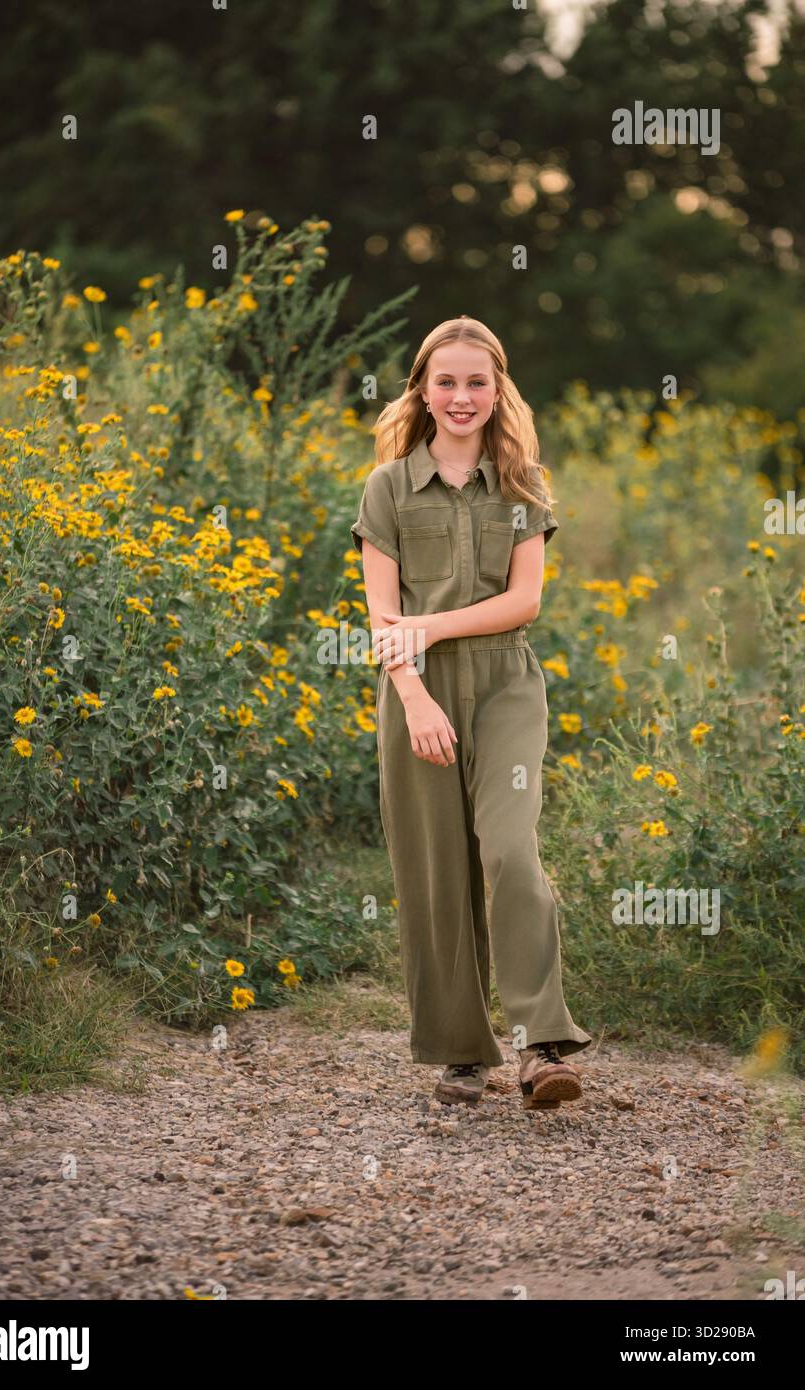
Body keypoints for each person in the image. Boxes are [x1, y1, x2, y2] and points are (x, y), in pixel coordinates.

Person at [350, 316, 592, 1109]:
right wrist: (413, 695)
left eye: (476, 382)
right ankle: (461, 1053)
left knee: (511, 847)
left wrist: (431, 626)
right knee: (436, 872)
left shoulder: (525, 487)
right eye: (445, 381)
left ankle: (542, 1044)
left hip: (503, 686)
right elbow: (382, 619)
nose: (461, 396)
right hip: (413, 688)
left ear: (497, 391)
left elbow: (522, 603)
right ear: (422, 388)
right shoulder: (387, 487)